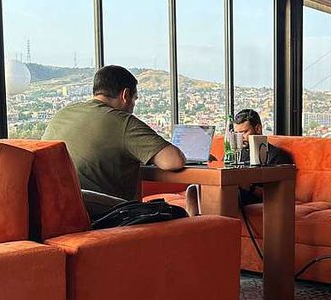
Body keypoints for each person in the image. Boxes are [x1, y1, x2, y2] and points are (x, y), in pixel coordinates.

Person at [43, 65, 198, 217]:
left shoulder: (62, 115)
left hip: (54, 211)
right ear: (125, 95)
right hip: (102, 215)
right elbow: (174, 161)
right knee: (177, 213)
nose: (133, 105)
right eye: (134, 99)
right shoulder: (122, 121)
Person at [232, 109, 292, 205]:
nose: (240, 138)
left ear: (258, 129)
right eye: (237, 134)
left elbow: (277, 194)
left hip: (255, 200)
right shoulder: (236, 153)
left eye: (244, 132)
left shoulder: (276, 155)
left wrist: (249, 187)